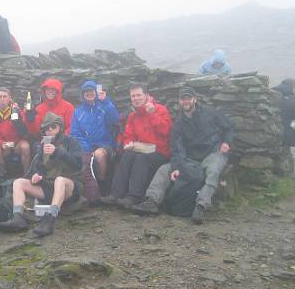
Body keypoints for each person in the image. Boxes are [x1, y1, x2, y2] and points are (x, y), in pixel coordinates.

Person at [132, 86, 234, 224]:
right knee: (164, 169)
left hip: (213, 153)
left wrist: (227, 142)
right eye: (183, 99)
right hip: (190, 157)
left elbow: (229, 126)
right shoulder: (178, 124)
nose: (186, 102)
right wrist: (176, 167)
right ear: (179, 102)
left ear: (195, 99)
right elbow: (177, 148)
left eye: (188, 99)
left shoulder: (210, 113)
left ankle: (201, 206)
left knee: (213, 171)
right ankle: (152, 201)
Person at [0, 112, 83, 237]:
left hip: (69, 187)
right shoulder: (42, 145)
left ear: (59, 127)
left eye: (53, 127)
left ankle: (50, 219)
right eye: (46, 128)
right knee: (19, 182)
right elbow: (37, 168)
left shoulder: (70, 142)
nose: (50, 130)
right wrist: (36, 176)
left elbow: (77, 164)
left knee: (59, 180)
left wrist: (58, 152)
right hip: (48, 187)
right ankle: (18, 217)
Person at [101, 84, 172, 208]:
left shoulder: (160, 110)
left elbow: (166, 131)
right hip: (142, 150)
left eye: (139, 95)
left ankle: (134, 197)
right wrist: (128, 144)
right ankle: (116, 194)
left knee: (141, 159)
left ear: (147, 96)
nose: (136, 98)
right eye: (133, 96)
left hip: (160, 152)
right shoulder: (133, 116)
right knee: (128, 156)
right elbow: (129, 135)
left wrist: (152, 114)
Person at [70, 80, 120, 185]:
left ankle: (101, 184)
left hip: (105, 144)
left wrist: (106, 101)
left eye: (91, 91)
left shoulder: (104, 106)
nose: (89, 93)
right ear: (83, 95)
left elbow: (115, 119)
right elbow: (75, 133)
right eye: (86, 92)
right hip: (86, 146)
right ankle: (87, 186)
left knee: (99, 155)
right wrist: (87, 149)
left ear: (96, 92)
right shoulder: (78, 111)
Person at [0, 87, 31, 174]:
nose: (2, 99)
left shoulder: (16, 110)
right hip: (4, 145)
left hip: (16, 143)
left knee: (25, 146)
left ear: (9, 98)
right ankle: (4, 175)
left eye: (5, 97)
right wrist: (1, 143)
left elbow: (24, 131)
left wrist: (18, 118)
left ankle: (26, 174)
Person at [272, 78, 295, 146]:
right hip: (287, 134)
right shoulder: (291, 100)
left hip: (272, 133)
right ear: (291, 87)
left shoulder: (272, 95)